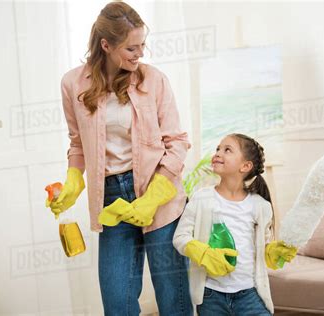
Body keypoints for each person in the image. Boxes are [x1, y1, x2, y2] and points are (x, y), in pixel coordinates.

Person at [46, 2, 193, 315]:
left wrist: (154, 196)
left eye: (142, 45)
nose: (139, 54)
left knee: (173, 301)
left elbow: (177, 142)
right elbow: (77, 144)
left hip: (160, 194)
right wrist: (73, 181)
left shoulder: (153, 80)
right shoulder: (73, 84)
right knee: (117, 304)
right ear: (106, 45)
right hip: (111, 201)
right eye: (131, 48)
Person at [173, 133, 297, 315]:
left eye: (227, 150)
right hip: (210, 295)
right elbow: (180, 237)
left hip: (250, 294)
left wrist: (271, 252)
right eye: (218, 149)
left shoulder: (260, 206)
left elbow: (264, 244)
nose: (218, 153)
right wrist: (203, 253)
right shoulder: (202, 198)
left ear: (245, 166)